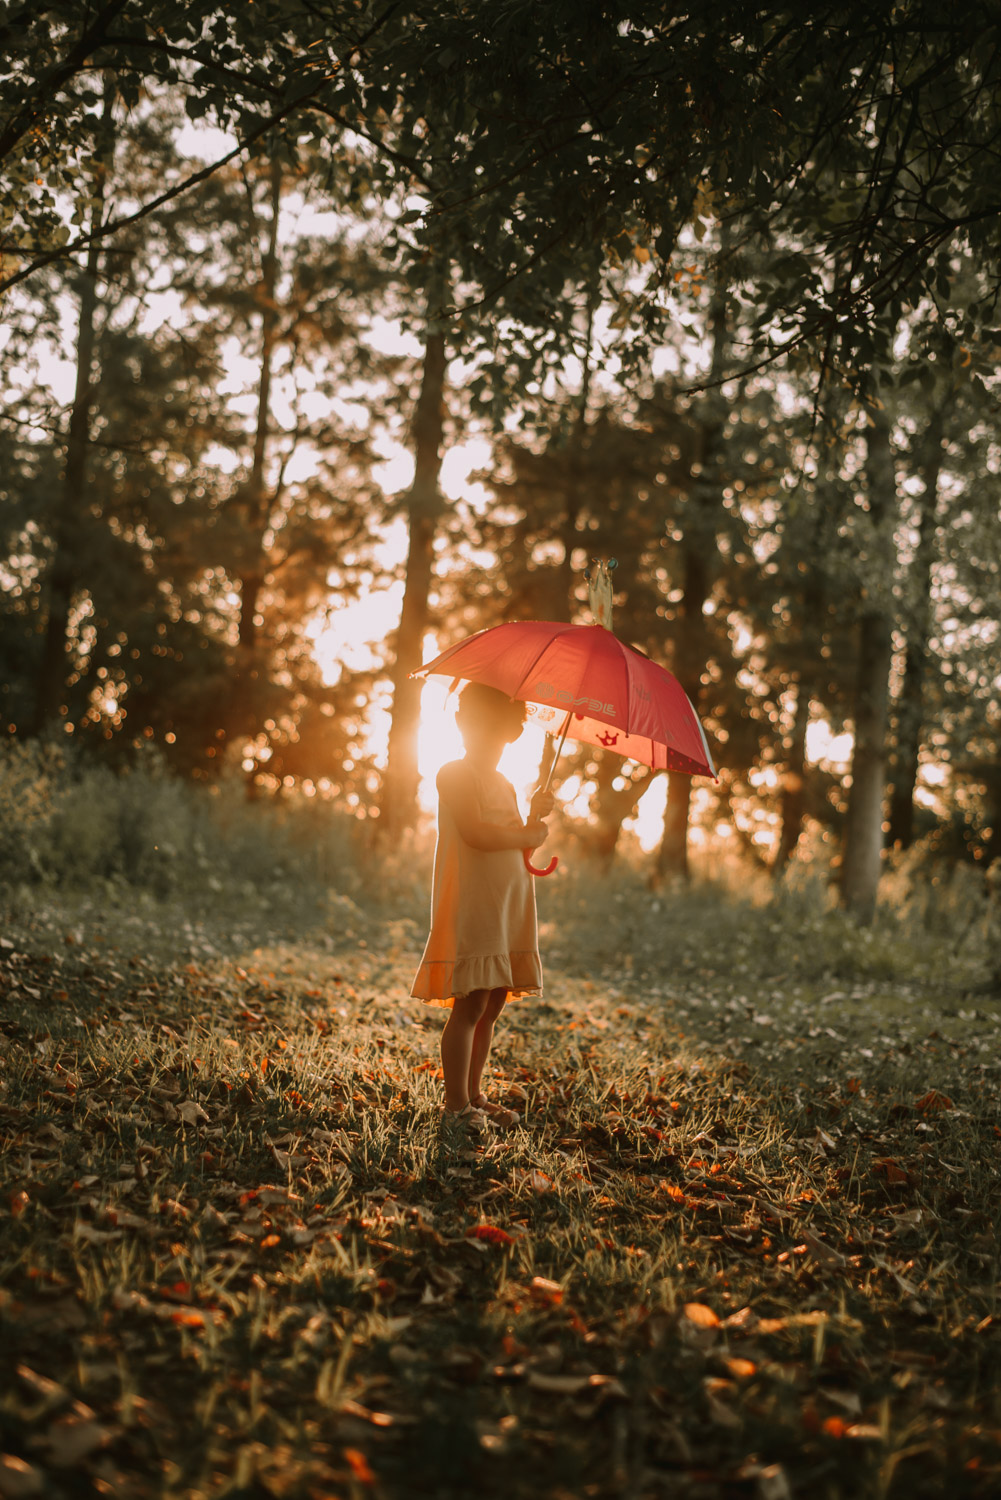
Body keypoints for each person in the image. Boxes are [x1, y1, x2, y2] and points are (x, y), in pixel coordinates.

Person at [410, 681, 554, 1133]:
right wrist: (525, 836)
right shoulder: (454, 772)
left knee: (492, 1004)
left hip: (508, 902)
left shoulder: (506, 783)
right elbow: (475, 832)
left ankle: (474, 1095)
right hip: (474, 901)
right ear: (459, 723)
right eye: (476, 724)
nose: (485, 736)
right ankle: (455, 1108)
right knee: (469, 1004)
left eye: (496, 728)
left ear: (511, 733)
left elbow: (513, 842)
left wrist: (533, 819)